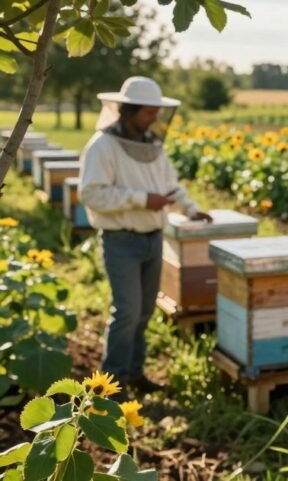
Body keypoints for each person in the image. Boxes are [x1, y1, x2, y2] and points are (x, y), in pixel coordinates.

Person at [80, 76, 211, 396]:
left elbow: (170, 186)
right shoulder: (102, 146)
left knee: (144, 311)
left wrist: (191, 209)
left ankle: (135, 373)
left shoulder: (153, 145)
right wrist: (141, 199)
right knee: (126, 312)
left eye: (157, 112)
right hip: (121, 240)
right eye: (149, 112)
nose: (155, 118)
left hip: (153, 237)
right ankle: (112, 384)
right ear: (129, 110)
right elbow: (91, 194)